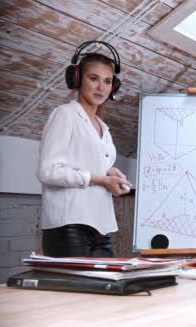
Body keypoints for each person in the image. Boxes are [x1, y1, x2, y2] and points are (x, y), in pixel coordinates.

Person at [37, 41, 131, 258]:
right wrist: (99, 180)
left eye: (107, 81)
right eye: (93, 78)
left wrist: (109, 171)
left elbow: (86, 160)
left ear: (113, 87)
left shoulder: (102, 127)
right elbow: (48, 171)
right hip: (69, 225)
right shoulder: (65, 114)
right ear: (77, 79)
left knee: (104, 289)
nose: (101, 87)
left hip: (102, 225)